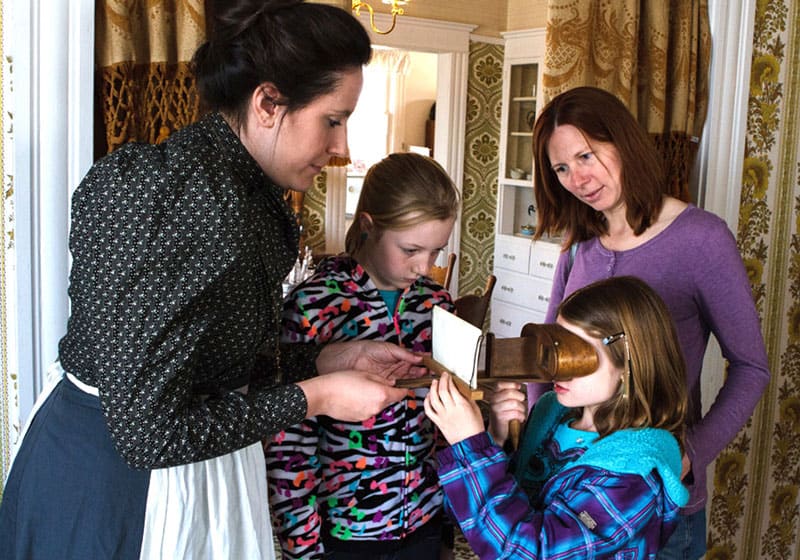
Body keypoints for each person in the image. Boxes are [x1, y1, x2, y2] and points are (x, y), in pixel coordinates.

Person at [0, 2, 423, 559]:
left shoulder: (240, 191)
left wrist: (328, 361)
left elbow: (207, 363)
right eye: (333, 119)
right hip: (124, 487)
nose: (342, 149)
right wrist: (315, 397)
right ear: (268, 103)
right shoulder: (184, 200)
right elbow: (147, 432)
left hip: (184, 464)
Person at [530, 86, 770, 559]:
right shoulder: (578, 244)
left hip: (659, 507)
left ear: (622, 143)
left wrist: (688, 455)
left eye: (586, 155)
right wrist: (532, 439)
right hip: (574, 491)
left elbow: (752, 368)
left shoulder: (701, 239)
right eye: (561, 168)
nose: (577, 177)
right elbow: (552, 355)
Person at [266, 151, 460, 560]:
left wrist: (447, 527)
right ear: (369, 226)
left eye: (437, 252)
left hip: (425, 521)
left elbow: (447, 427)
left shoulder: (439, 305)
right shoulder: (313, 305)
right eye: (410, 249)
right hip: (344, 533)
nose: (424, 267)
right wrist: (302, 548)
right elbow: (290, 439)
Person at [425, 276, 690, 558]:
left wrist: (471, 449)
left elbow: (527, 552)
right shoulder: (550, 415)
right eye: (557, 346)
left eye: (578, 352)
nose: (557, 367)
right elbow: (475, 523)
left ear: (628, 362)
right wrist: (497, 437)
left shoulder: (635, 473)